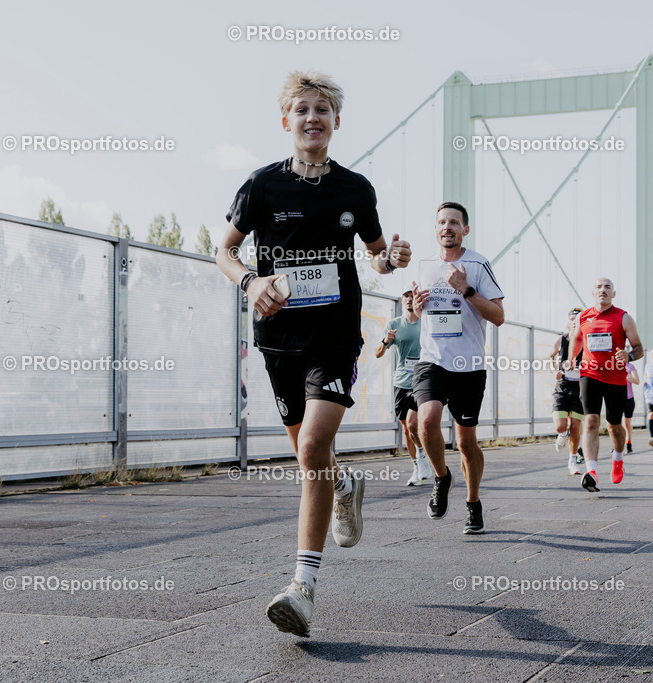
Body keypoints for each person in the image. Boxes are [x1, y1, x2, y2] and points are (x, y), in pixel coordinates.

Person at [217, 70, 411, 638]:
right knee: (314, 463)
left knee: (311, 445)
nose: (312, 118)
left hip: (334, 336)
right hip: (278, 340)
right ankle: (345, 485)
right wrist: (252, 282)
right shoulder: (260, 186)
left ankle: (301, 588)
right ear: (287, 121)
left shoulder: (356, 189)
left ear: (336, 123)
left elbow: (376, 257)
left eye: (322, 110)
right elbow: (223, 252)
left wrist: (391, 258)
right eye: (301, 110)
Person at [412, 202, 504, 534]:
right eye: (441, 222)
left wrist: (465, 289)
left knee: (466, 442)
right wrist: (414, 308)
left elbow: (498, 316)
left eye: (454, 222)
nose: (447, 227)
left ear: (465, 229)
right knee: (427, 421)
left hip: (468, 364)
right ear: (435, 229)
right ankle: (441, 477)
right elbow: (411, 316)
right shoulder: (422, 265)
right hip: (432, 359)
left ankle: (473, 503)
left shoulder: (478, 264)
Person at [568, 278, 644, 491]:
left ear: (613, 294)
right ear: (593, 292)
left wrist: (628, 355)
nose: (603, 290)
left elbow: (639, 348)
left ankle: (618, 458)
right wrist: (570, 358)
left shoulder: (623, 318)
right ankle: (591, 471)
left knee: (614, 426)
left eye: (607, 287)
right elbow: (576, 339)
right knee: (591, 420)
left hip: (615, 378)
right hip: (589, 374)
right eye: (599, 287)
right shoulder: (583, 317)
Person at [374, 289, 431, 486]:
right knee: (407, 430)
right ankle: (417, 466)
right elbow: (377, 353)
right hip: (400, 381)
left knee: (414, 424)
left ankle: (423, 457)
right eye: (405, 296)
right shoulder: (394, 324)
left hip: (422, 380)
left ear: (418, 300)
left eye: (412, 296)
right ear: (402, 300)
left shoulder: (426, 323)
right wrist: (385, 340)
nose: (409, 299)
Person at [550, 307, 585, 475]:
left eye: (578, 320)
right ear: (568, 322)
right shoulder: (561, 339)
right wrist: (554, 370)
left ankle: (572, 461)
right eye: (572, 320)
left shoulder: (587, 343)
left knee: (576, 426)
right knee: (560, 426)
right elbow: (550, 357)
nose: (574, 323)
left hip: (580, 388)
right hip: (563, 386)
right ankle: (562, 434)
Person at [617, 360, 641, 453]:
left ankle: (629, 443)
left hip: (628, 398)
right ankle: (618, 445)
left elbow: (637, 381)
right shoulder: (612, 365)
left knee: (627, 423)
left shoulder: (630, 366)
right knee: (616, 423)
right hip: (616, 399)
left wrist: (629, 377)